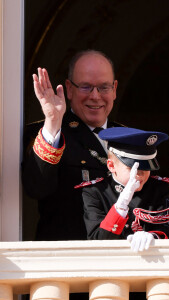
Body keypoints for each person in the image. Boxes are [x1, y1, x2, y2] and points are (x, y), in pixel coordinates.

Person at [22, 49, 121, 241]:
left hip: (124, 259)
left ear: (115, 89)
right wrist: (52, 120)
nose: (95, 96)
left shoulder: (130, 139)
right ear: (69, 89)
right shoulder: (51, 133)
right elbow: (37, 187)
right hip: (67, 260)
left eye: (104, 87)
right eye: (86, 87)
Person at [82, 127, 169, 252]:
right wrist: (120, 206)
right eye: (132, 168)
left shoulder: (159, 189)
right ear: (111, 166)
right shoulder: (95, 192)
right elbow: (98, 240)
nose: (140, 174)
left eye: (145, 168)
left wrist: (153, 236)